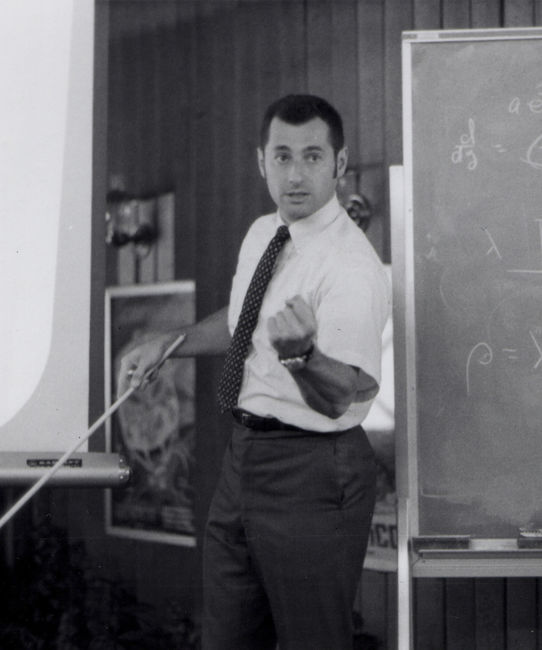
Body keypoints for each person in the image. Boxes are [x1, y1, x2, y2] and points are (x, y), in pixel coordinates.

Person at [117, 94, 391, 650]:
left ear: (339, 165)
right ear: (260, 161)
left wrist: (301, 358)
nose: (295, 173)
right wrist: (169, 343)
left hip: (314, 468)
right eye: (282, 155)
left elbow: (343, 395)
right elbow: (247, 320)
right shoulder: (263, 231)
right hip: (244, 458)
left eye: (313, 156)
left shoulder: (350, 266)